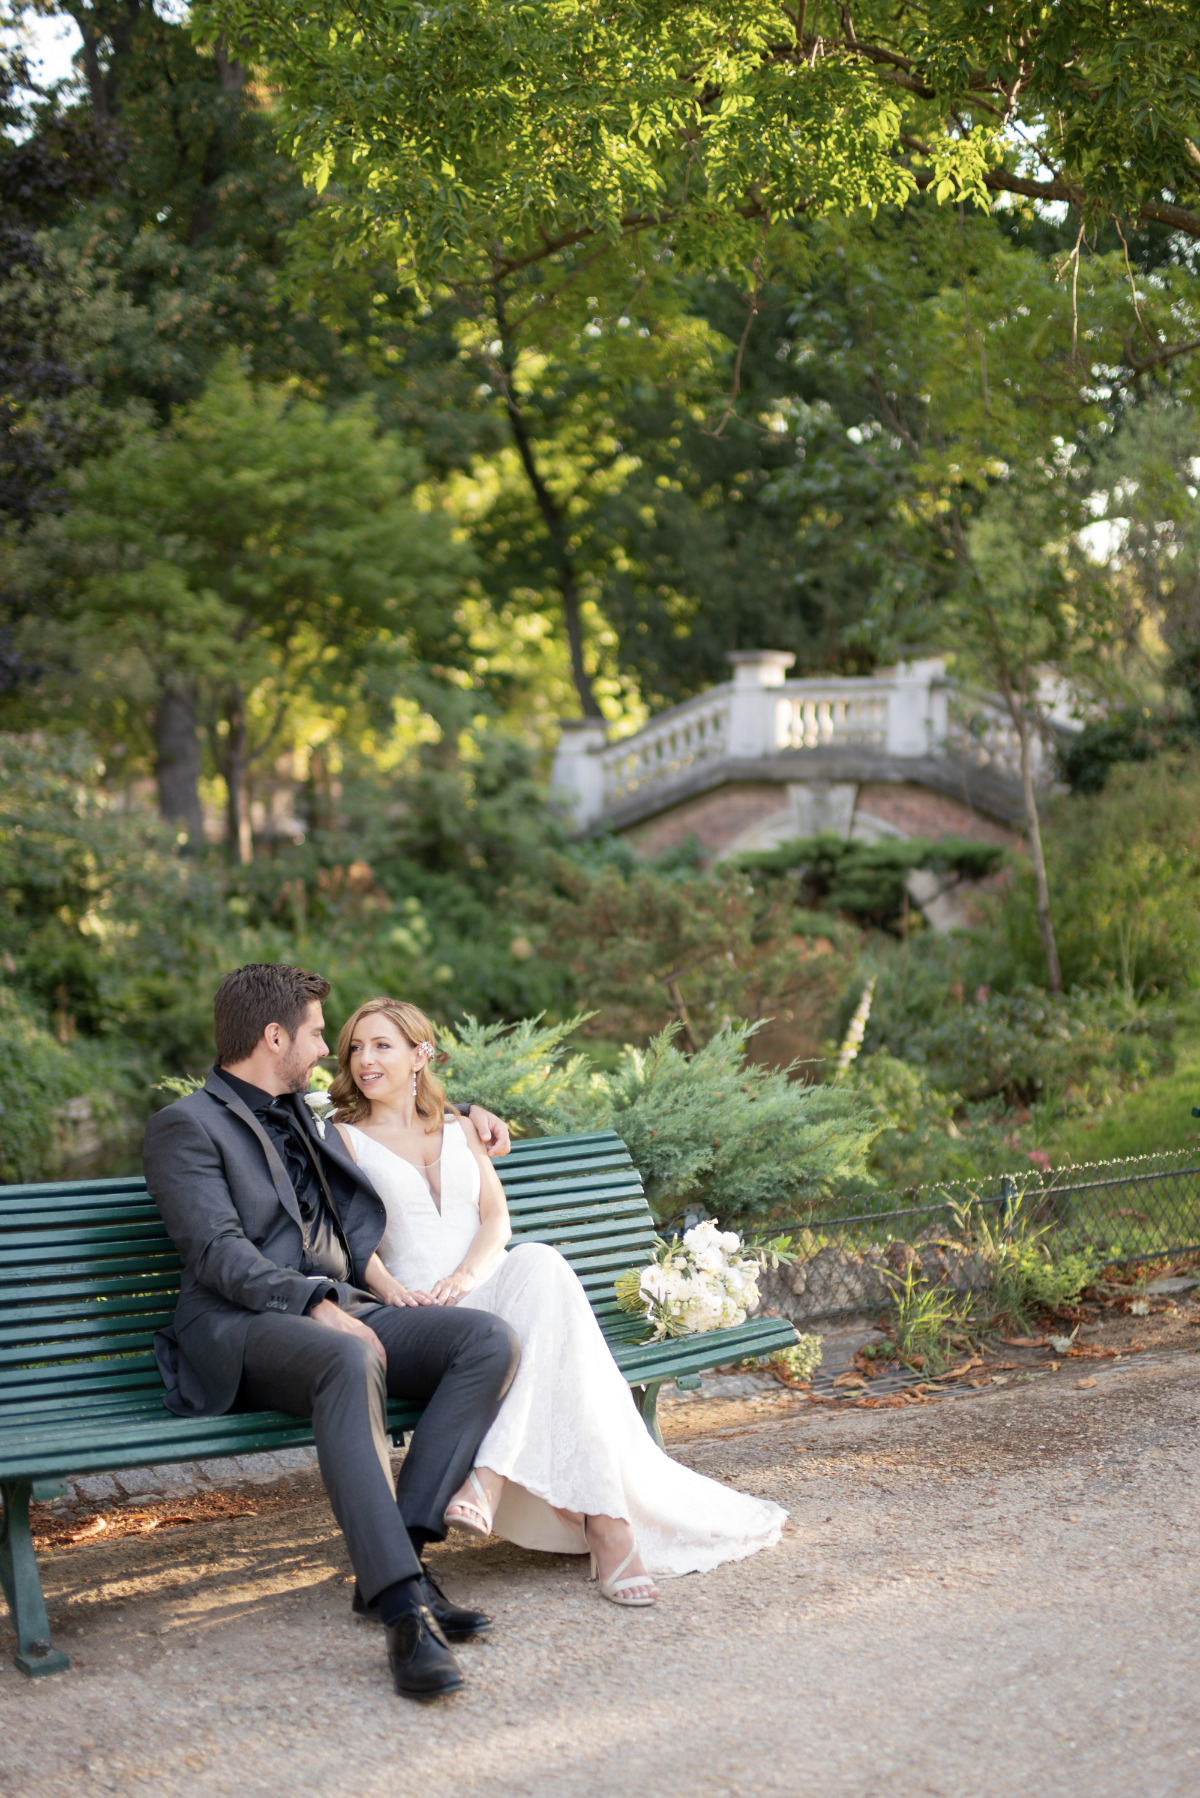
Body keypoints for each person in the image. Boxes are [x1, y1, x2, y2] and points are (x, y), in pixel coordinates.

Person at [142, 962, 522, 1702]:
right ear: (274, 1035)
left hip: (345, 1308)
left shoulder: (304, 1110)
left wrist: (470, 1110)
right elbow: (216, 1254)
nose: (328, 1050)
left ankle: (401, 1548)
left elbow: (390, 1098)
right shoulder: (184, 1127)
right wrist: (315, 1300)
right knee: (347, 1356)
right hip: (241, 1324)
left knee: (485, 1341)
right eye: (318, 1034)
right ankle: (404, 1614)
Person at [329, 997, 787, 1610]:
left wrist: (466, 1276)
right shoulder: (343, 1138)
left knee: (540, 1261)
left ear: (421, 1054)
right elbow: (350, 1239)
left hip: (479, 1288)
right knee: (551, 1309)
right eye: (356, 1047)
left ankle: (489, 1477)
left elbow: (496, 1219)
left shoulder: (462, 1127)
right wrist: (392, 1289)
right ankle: (607, 1527)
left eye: (382, 1045)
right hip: (421, 1313)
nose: (365, 1060)